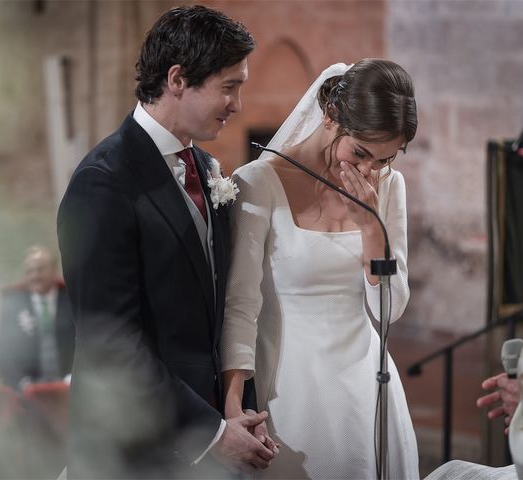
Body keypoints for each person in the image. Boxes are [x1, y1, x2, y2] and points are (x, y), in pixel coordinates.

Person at [57, 5, 275, 478]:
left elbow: (217, 310)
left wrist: (236, 411)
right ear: (177, 79)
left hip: (206, 439)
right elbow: (109, 342)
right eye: (229, 87)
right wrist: (211, 434)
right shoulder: (103, 182)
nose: (237, 104)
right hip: (135, 451)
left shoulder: (205, 168)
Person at [221, 59, 420, 479]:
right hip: (290, 383)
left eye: (383, 159)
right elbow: (240, 306)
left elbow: (388, 311)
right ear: (330, 117)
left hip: (367, 381)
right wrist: (233, 404)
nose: (369, 171)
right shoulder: (258, 182)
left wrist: (370, 227)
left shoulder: (388, 187)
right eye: (361, 152)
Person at [0, 245, 75, 389]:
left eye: (40, 270)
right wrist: (23, 384)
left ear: (53, 270)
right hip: (28, 390)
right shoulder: (12, 305)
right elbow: (3, 352)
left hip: (70, 387)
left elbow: (86, 343)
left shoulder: (71, 300)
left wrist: (74, 378)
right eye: (29, 272)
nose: (35, 276)